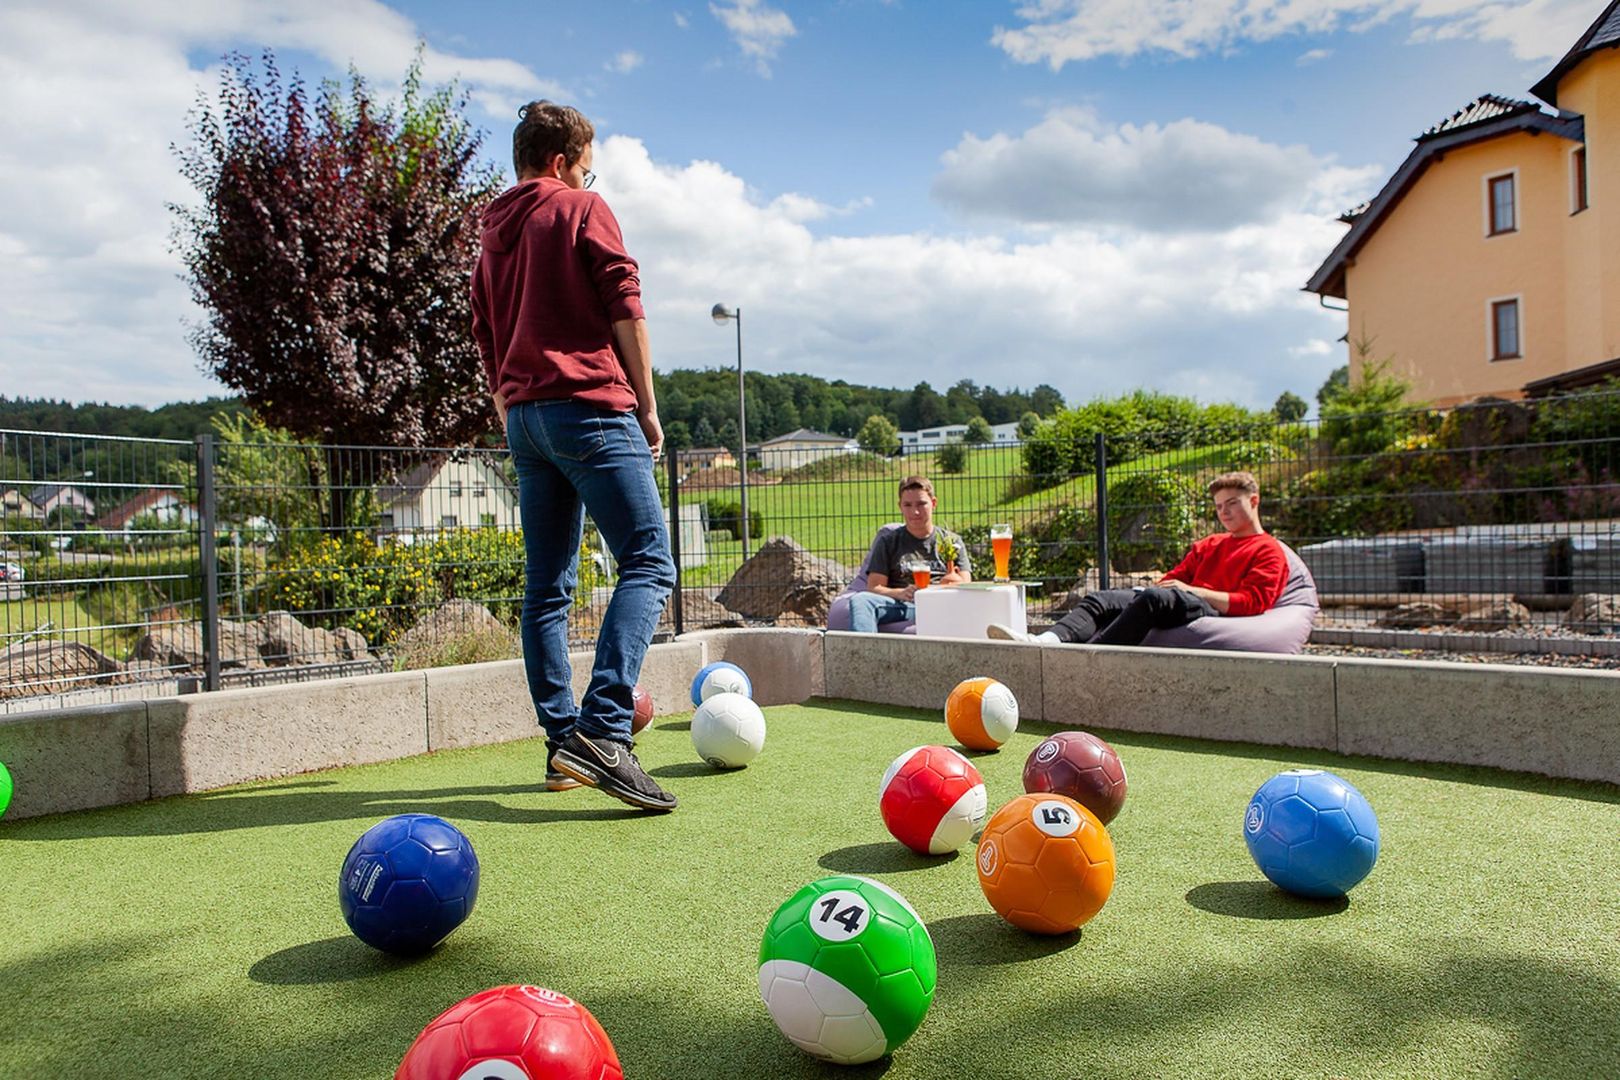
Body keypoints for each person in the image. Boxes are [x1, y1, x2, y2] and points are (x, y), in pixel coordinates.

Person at [470, 101, 677, 812]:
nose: (590, 178)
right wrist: (645, 405)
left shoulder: (492, 235)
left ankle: (564, 745)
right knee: (649, 561)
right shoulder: (581, 208)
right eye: (587, 167)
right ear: (562, 162)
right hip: (589, 407)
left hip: (526, 420)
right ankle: (605, 731)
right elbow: (625, 305)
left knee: (547, 589)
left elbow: (486, 336)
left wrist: (511, 409)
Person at [988, 471, 1287, 646]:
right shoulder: (1210, 543)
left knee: (1153, 598)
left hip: (1212, 608)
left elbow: (1253, 602)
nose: (1224, 512)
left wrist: (1194, 590)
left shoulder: (1268, 550)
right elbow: (1174, 578)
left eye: (1231, 503)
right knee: (1101, 599)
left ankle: (1090, 655)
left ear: (1254, 501)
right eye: (1219, 506)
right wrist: (1170, 587)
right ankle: (1043, 642)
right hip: (1184, 599)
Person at [849, 476, 972, 633]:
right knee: (860, 600)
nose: (915, 512)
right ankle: (865, 649)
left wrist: (942, 587)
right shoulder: (888, 542)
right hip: (904, 605)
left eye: (921, 504)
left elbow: (966, 583)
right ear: (900, 506)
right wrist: (900, 593)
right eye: (908, 505)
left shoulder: (952, 541)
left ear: (934, 503)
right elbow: (874, 587)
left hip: (941, 603)